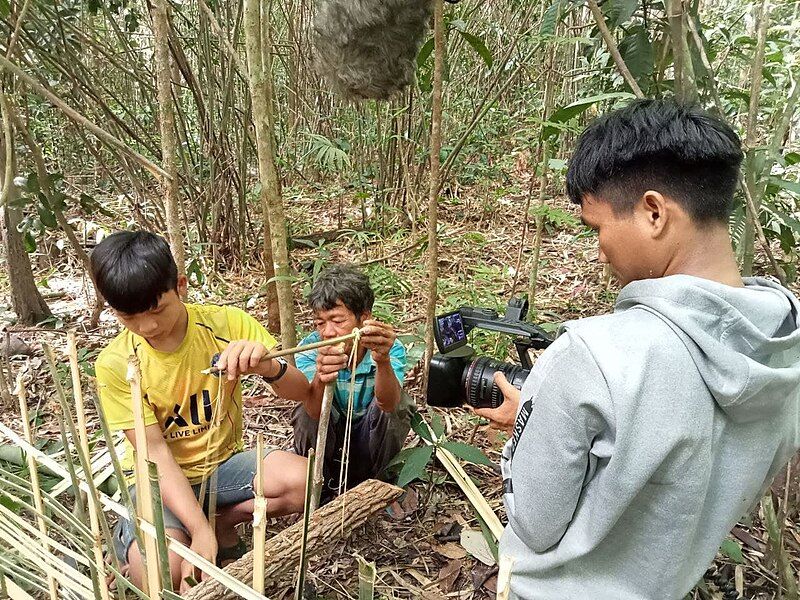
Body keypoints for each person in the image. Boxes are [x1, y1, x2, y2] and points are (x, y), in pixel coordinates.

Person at [475, 100, 800, 599]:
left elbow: (536, 525)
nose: (599, 248)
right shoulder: (785, 345)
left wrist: (531, 431)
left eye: (597, 227)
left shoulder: (593, 356)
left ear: (653, 212)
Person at [92, 231, 310, 592]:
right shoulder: (117, 363)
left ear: (181, 286)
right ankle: (154, 535)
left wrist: (268, 367)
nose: (147, 327)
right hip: (158, 483)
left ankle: (222, 520)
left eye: (156, 309)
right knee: (163, 577)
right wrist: (198, 533)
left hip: (221, 468)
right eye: (128, 317)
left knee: (304, 479)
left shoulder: (227, 325)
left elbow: (301, 391)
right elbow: (156, 454)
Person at [291, 264, 412, 495]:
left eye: (337, 321)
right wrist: (321, 375)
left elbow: (388, 404)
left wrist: (383, 361)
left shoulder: (388, 347)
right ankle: (317, 484)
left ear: (363, 318)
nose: (327, 332)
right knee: (303, 409)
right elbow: (313, 411)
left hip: (368, 438)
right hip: (330, 438)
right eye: (320, 322)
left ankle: (378, 483)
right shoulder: (310, 349)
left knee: (400, 406)